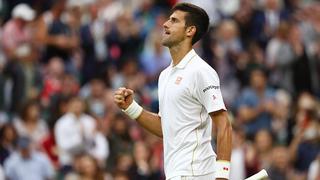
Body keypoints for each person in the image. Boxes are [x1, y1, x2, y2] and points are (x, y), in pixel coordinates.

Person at [114, 3, 232, 180]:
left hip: (197, 173)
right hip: (175, 173)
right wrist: (131, 107)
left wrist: (222, 176)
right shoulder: (165, 75)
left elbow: (224, 124)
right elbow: (166, 128)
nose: (165, 24)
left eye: (174, 20)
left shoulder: (201, 71)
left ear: (190, 30)